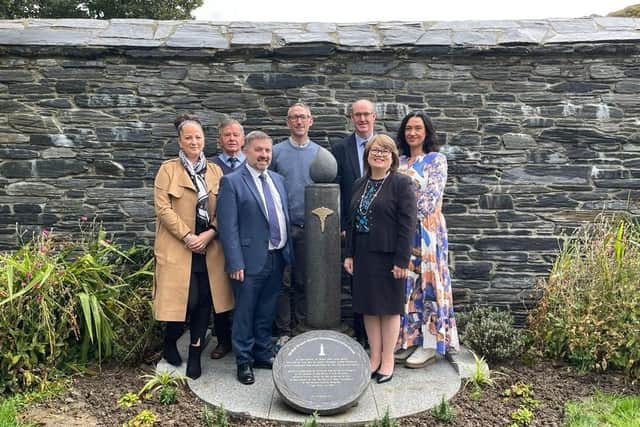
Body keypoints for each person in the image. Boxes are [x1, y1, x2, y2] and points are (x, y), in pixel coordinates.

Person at [153, 114, 233, 380]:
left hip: (208, 247)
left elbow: (225, 208)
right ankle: (170, 341)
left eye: (198, 137)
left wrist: (209, 234)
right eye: (188, 137)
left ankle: (196, 353)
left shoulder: (215, 171)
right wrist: (188, 236)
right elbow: (163, 208)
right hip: (180, 246)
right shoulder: (168, 169)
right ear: (180, 140)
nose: (194, 141)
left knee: (204, 302)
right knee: (184, 300)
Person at [216, 130, 292, 385]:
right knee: (245, 312)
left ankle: (261, 353)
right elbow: (228, 227)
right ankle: (244, 361)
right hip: (248, 262)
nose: (264, 155)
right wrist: (235, 261)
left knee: (266, 311)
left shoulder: (278, 180)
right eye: (259, 150)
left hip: (276, 256)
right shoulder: (232, 182)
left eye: (268, 150)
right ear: (246, 151)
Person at [343, 134, 417, 384]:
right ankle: (373, 357)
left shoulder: (401, 183)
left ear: (393, 156)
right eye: (375, 150)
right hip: (363, 255)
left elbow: (408, 226)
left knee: (389, 309)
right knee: (368, 308)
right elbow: (351, 223)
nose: (379, 154)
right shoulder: (358, 183)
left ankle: (388, 360)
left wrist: (402, 260)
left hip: (389, 257)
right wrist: (349, 254)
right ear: (367, 155)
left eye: (385, 151)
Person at [395, 111, 460, 368]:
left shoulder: (436, 160)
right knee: (406, 286)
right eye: (408, 128)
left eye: (417, 128)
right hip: (402, 234)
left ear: (426, 132)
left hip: (427, 231)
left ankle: (431, 344)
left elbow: (429, 200)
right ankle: (408, 339)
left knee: (429, 284)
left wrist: (400, 215)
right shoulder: (398, 162)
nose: (412, 133)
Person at [270, 102, 320, 350]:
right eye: (294, 118)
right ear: (287, 122)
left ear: (311, 121)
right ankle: (283, 332)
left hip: (310, 229)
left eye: (303, 117)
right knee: (282, 282)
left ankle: (301, 328)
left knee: (304, 281)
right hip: (281, 229)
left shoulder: (320, 154)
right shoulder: (276, 153)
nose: (299, 122)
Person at [332, 99, 377, 348]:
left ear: (374, 117)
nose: (362, 119)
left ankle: (383, 338)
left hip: (382, 227)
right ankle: (362, 336)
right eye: (357, 115)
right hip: (354, 229)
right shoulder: (340, 149)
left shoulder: (386, 147)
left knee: (381, 281)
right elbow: (337, 190)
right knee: (357, 282)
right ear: (352, 118)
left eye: (366, 114)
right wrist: (342, 224)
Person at [206, 119, 245, 360]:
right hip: (219, 238)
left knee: (247, 291)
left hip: (248, 237)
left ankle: (245, 338)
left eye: (236, 135)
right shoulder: (211, 167)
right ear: (220, 140)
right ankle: (223, 339)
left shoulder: (251, 164)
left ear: (243, 139)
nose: (231, 139)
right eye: (226, 135)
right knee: (219, 290)